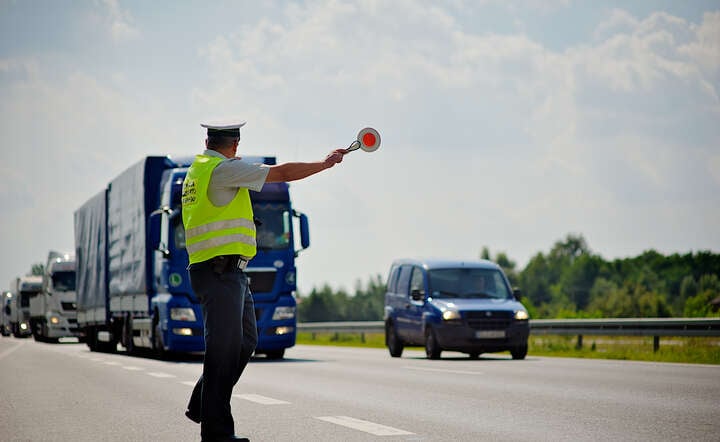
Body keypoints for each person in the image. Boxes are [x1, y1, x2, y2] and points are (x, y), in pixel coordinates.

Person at [183, 120, 345, 442]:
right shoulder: (223, 170)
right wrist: (324, 164)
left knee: (245, 341)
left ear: (207, 140)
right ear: (236, 145)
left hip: (228, 272)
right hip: (219, 272)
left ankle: (203, 403)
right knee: (223, 351)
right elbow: (281, 173)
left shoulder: (197, 171)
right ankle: (217, 434)